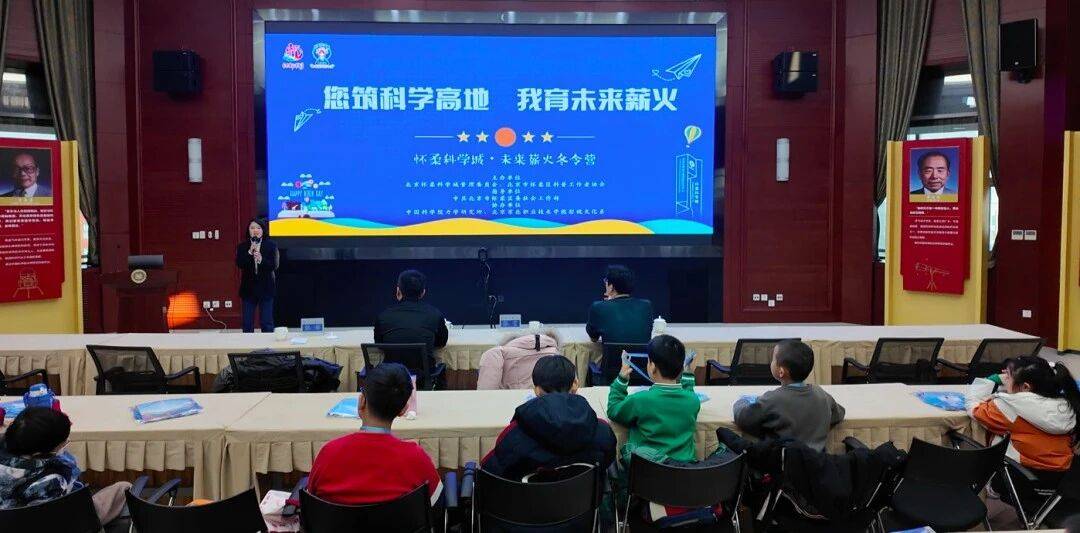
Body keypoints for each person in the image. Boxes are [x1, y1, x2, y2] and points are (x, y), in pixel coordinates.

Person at [307, 363, 443, 507]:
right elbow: (436, 503)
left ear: (361, 401)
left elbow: (311, 501)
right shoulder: (415, 457)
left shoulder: (329, 453)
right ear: (403, 410)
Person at [966, 356, 1080, 515]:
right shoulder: (1068, 405)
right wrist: (1012, 381)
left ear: (1026, 387)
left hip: (1023, 482)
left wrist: (991, 380)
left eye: (1008, 377)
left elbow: (974, 408)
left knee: (996, 436)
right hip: (1064, 482)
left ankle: (992, 487)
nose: (1005, 378)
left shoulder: (1008, 406)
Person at [481, 355, 616, 480]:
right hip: (583, 498)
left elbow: (490, 472)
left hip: (528, 498)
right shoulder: (602, 430)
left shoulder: (514, 434)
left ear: (537, 390)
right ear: (575, 384)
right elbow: (608, 460)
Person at [0, 408, 131, 523]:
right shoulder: (52, 480)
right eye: (62, 444)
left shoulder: (10, 448)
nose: (64, 445)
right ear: (39, 453)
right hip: (69, 520)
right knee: (124, 487)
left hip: (10, 521)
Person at [732, 340, 845, 451]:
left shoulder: (772, 399)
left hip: (782, 461)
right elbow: (839, 414)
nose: (771, 362)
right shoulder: (822, 394)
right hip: (817, 461)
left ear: (781, 372)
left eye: (773, 359)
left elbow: (743, 418)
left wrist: (742, 401)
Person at [607, 334, 698, 462]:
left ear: (653, 366)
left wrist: (621, 379)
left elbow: (613, 410)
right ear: (681, 368)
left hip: (646, 470)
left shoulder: (640, 400)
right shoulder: (693, 401)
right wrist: (688, 373)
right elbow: (688, 394)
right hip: (684, 470)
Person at [374, 270, 449, 371]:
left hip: (392, 376)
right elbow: (441, 343)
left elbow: (379, 345)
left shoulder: (383, 316)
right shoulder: (435, 314)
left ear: (398, 290)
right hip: (424, 376)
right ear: (423, 292)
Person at [586, 264, 655, 346]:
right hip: (641, 354)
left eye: (606, 281)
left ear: (611, 287)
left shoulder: (598, 307)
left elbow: (593, 338)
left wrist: (607, 303)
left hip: (612, 355)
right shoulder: (646, 306)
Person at [476, 331, 561, 390]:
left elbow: (486, 394)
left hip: (510, 404)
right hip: (549, 405)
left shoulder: (496, 353)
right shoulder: (556, 355)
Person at [235, 218, 278, 333]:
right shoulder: (242, 247)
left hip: (266, 288)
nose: (255, 230)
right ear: (248, 230)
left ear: (263, 230)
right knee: (247, 323)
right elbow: (240, 264)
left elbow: (274, 265)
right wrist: (249, 252)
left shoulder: (271, 246)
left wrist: (261, 260)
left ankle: (268, 344)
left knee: (266, 322)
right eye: (252, 228)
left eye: (258, 228)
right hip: (248, 289)